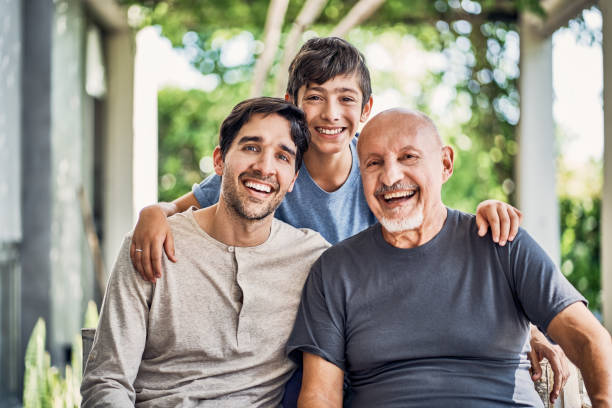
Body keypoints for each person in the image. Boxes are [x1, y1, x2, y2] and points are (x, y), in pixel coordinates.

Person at [129, 37, 569, 403]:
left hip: (372, 343)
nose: (330, 114)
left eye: (346, 99)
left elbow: (445, 247)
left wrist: (525, 326)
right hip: (297, 344)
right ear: (293, 104)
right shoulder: (272, 168)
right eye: (314, 98)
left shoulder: (382, 170)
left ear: (366, 109)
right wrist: (154, 212)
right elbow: (185, 206)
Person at [288, 108, 612, 408]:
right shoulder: (335, 269)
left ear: (445, 164)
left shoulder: (503, 244)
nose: (389, 177)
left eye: (408, 157)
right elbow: (319, 394)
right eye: (374, 163)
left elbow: (587, 338)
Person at [80, 97, 330, 407]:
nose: (265, 167)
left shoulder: (313, 257)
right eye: (251, 147)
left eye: (282, 156)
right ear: (219, 161)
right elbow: (107, 381)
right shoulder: (150, 243)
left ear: (293, 179)